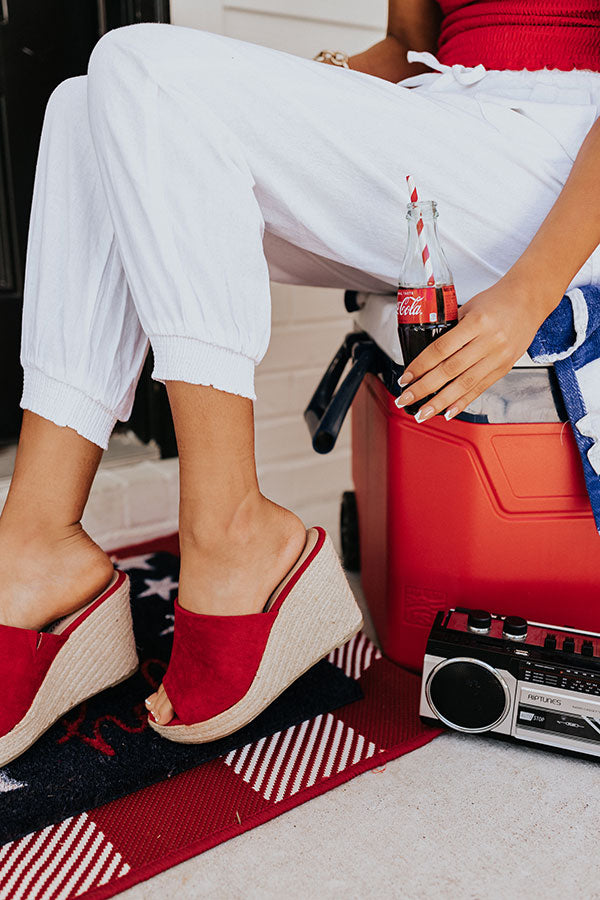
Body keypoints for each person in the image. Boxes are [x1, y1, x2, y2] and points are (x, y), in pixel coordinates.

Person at [1, 0, 599, 756]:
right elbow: (409, 45)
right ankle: (36, 546)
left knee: (137, 65)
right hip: (448, 125)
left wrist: (531, 291)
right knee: (89, 108)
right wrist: (296, 88)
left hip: (563, 154)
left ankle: (232, 533)